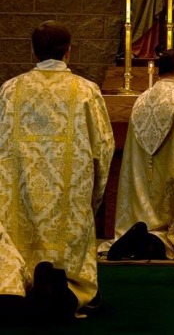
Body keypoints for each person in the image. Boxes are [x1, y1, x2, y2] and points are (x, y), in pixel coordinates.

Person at [0, 21, 114, 322]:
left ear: (33, 51)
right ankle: (69, 288)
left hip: (18, 191)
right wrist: (95, 197)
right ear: (69, 51)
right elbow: (103, 147)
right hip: (70, 194)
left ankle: (22, 285)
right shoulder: (86, 91)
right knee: (71, 238)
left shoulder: (9, 91)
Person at [106, 49, 174, 261]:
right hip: (171, 178)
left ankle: (138, 231)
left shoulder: (141, 100)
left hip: (142, 179)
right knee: (168, 232)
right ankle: (158, 240)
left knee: (144, 202)